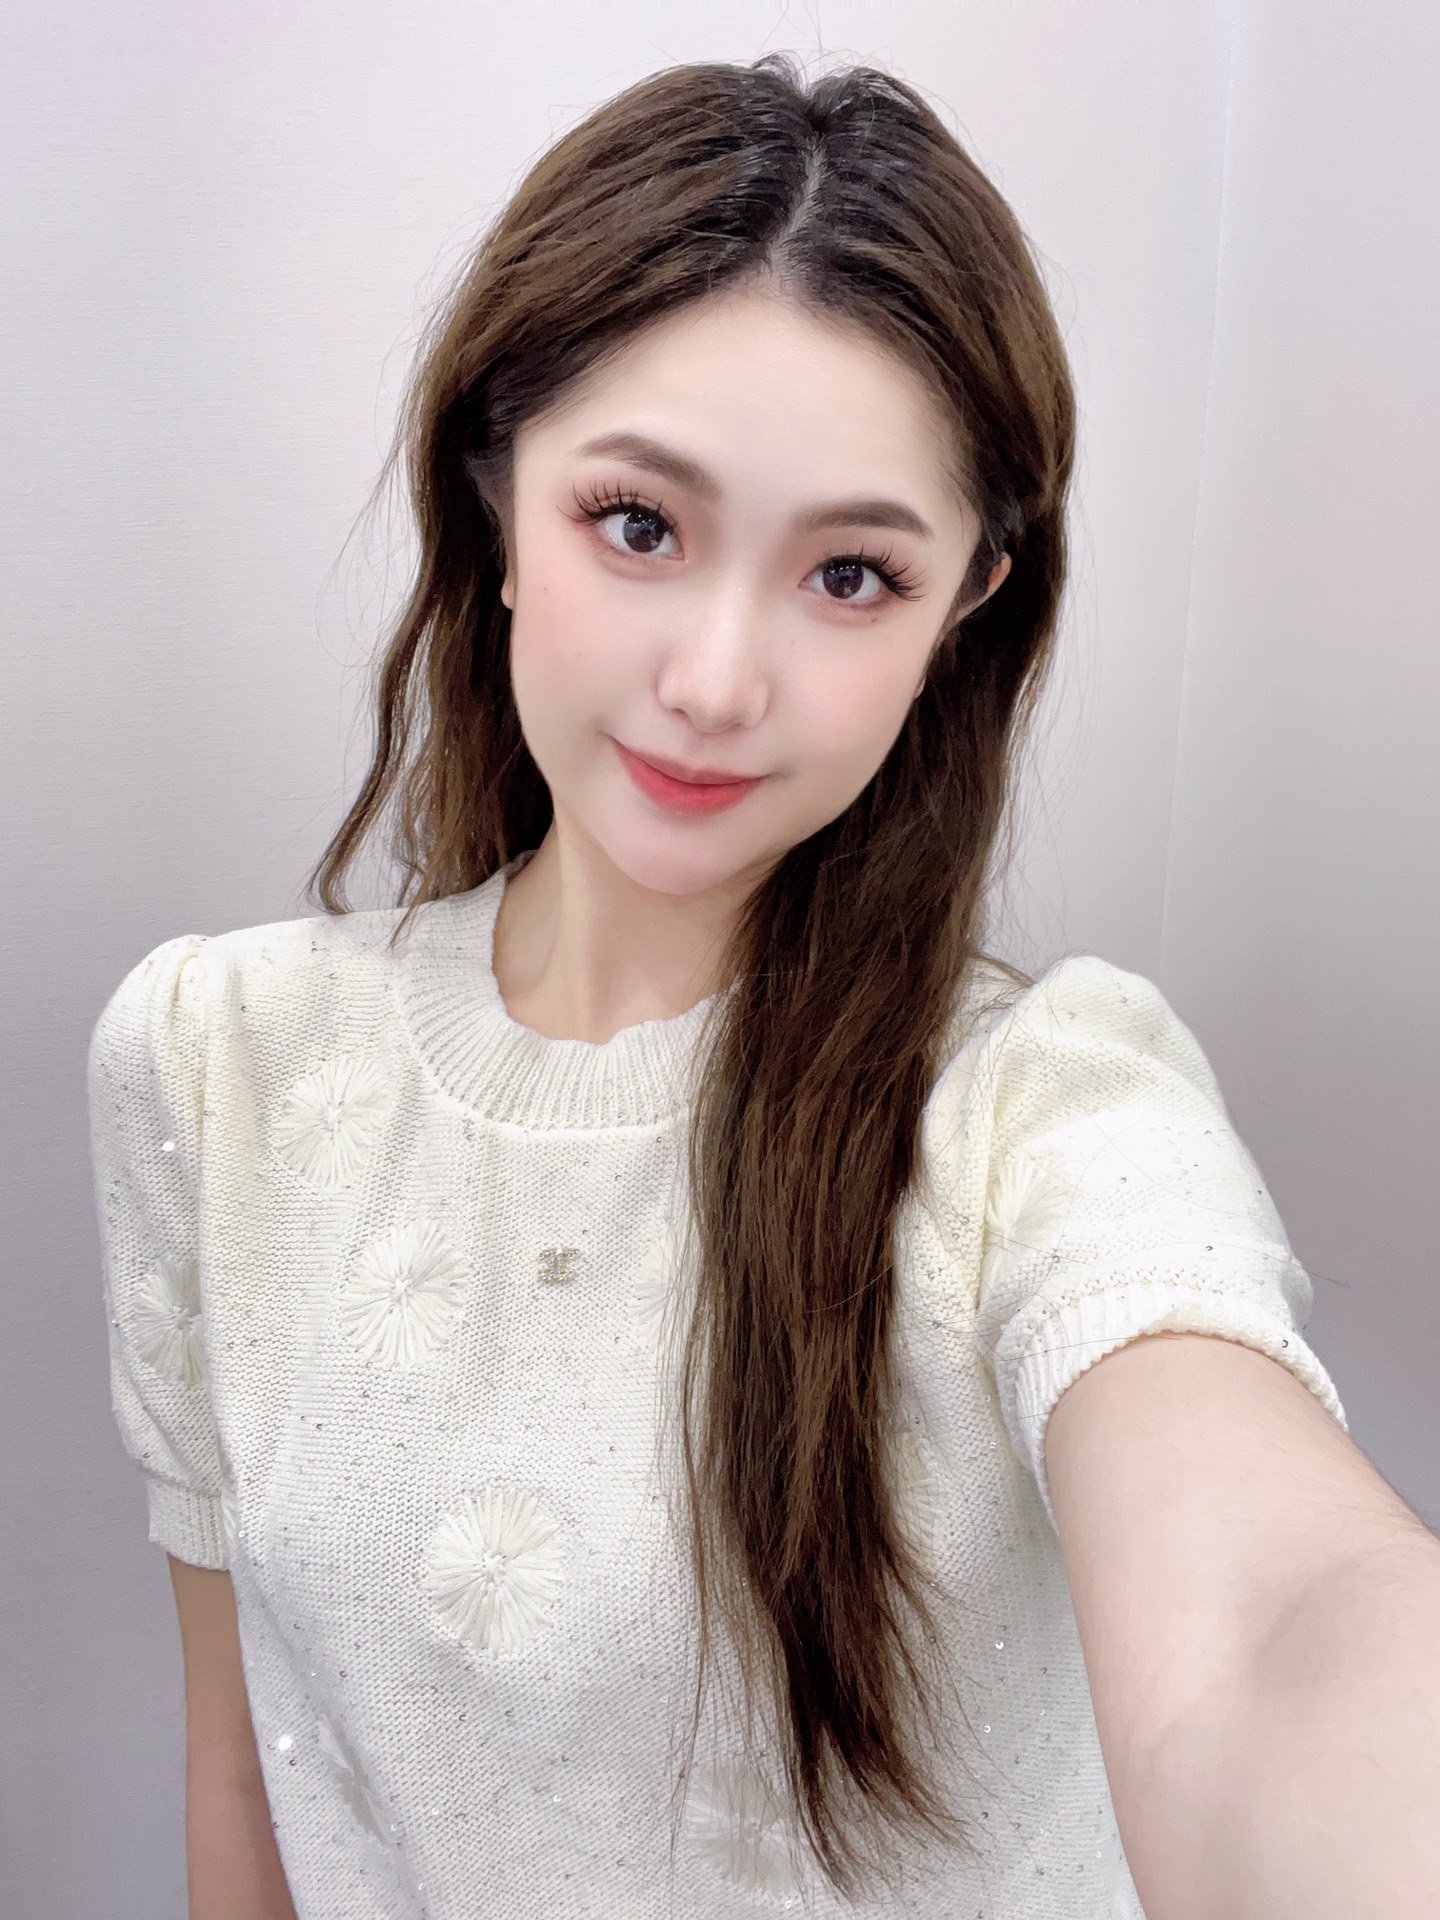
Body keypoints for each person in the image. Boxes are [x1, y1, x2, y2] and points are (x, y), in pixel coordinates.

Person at [86, 53, 1440, 1920]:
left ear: (966, 607)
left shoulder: (1045, 1105)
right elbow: (247, 1766)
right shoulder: (211, 1064)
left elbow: (1275, 1638)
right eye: (638, 525)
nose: (716, 683)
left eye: (852, 574)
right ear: (496, 498)